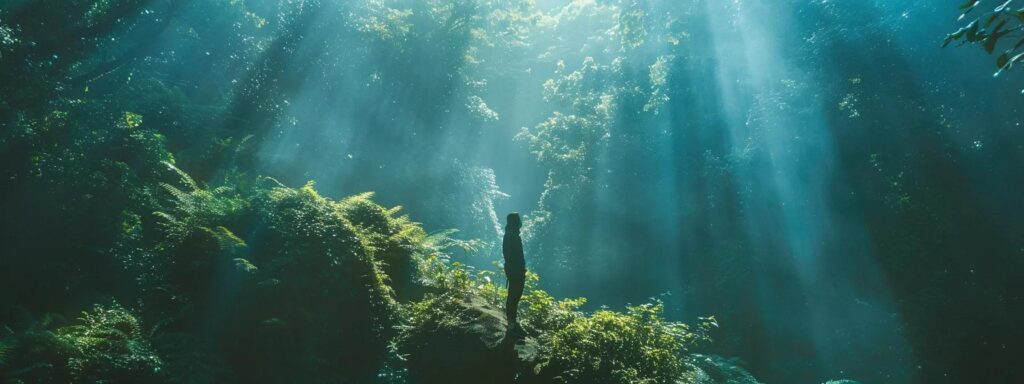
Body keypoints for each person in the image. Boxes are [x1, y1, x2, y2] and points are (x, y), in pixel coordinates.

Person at [503, 212, 526, 335]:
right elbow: (510, 255)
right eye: (519, 219)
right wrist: (514, 270)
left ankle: (512, 321)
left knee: (515, 295)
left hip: (516, 270)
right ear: (515, 222)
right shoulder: (511, 235)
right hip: (515, 271)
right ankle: (511, 323)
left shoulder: (512, 234)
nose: (520, 222)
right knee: (514, 295)